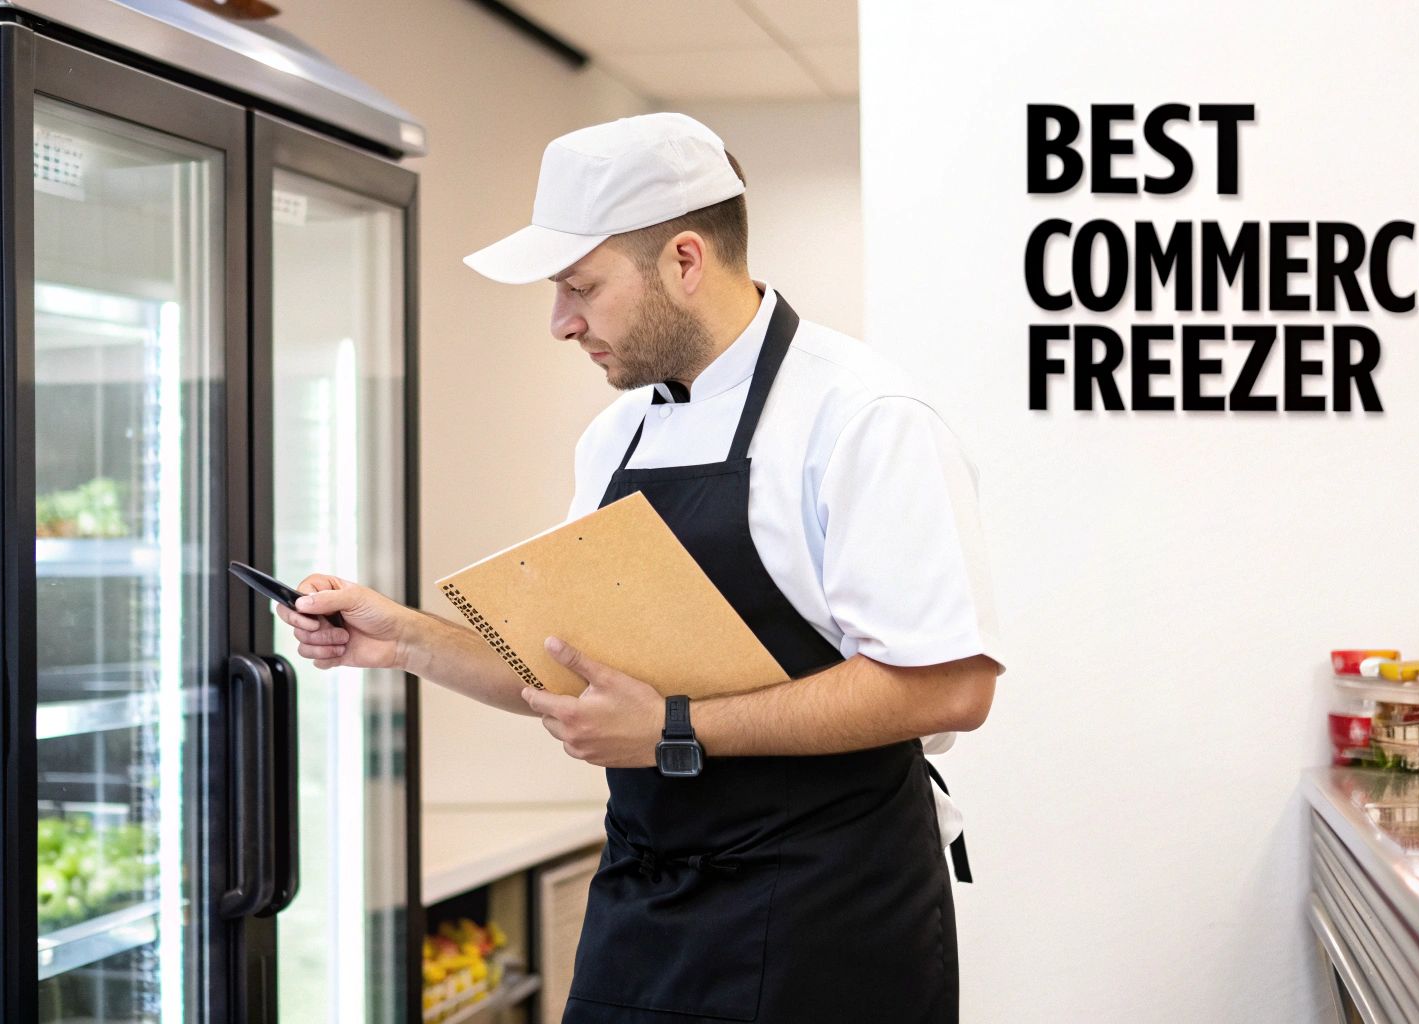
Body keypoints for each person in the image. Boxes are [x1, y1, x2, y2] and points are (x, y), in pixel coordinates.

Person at [276, 112, 1004, 1023]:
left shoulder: (864, 417)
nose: (559, 322)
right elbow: (576, 674)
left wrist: (674, 730)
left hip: (826, 907)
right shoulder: (614, 436)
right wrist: (406, 638)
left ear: (686, 261)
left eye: (581, 285)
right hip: (646, 900)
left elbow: (947, 687)